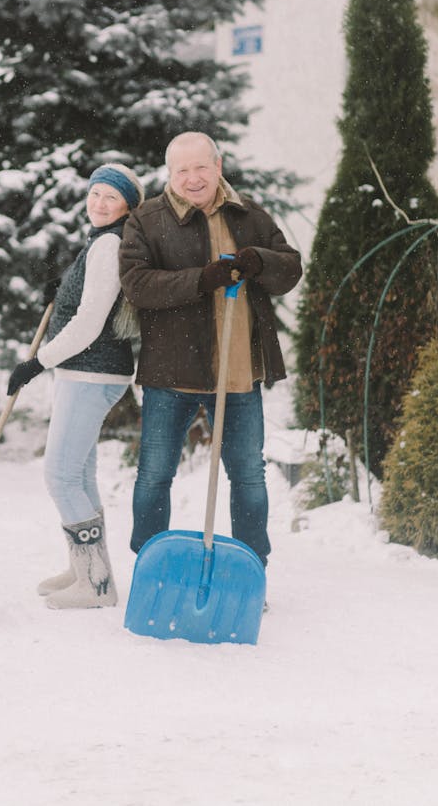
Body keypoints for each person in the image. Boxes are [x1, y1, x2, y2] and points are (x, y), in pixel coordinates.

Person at [118, 131, 302, 567]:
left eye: (201, 166)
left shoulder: (247, 215)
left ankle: (251, 568)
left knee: (249, 478)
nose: (192, 178)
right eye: (182, 170)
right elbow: (138, 285)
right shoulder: (147, 220)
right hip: (172, 372)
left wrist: (261, 260)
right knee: (154, 476)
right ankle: (149, 566)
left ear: (218, 167)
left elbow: (290, 268)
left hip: (238, 372)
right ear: (170, 174)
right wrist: (203, 279)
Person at [7, 162, 145, 609]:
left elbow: (90, 322)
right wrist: (61, 289)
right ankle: (89, 570)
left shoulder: (109, 243)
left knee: (60, 475)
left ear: (127, 205)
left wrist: (36, 363)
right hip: (86, 372)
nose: (100, 203)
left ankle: (95, 584)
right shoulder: (102, 241)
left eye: (111, 197)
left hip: (92, 371)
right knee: (80, 475)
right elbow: (86, 298)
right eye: (95, 194)